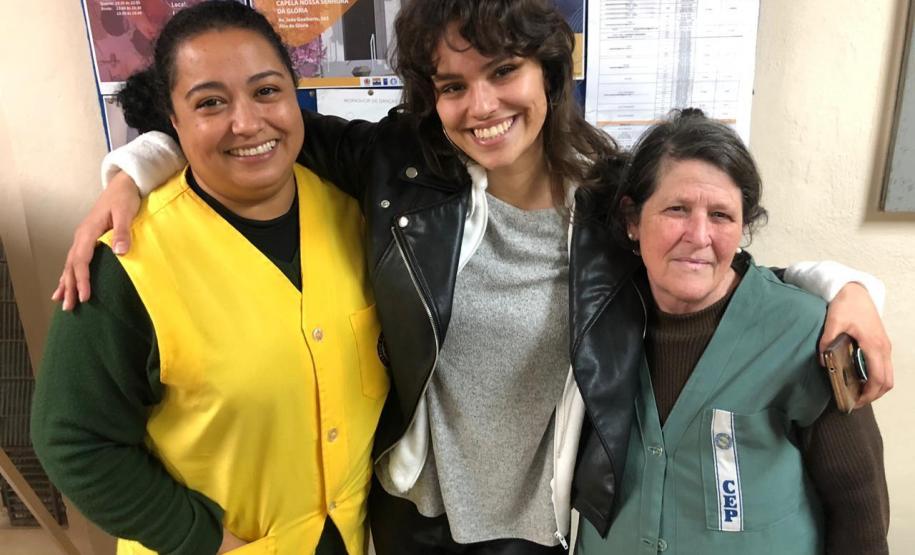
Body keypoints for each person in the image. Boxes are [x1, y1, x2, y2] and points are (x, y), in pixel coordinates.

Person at [53, 1, 893, 553]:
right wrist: (134, 165)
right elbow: (254, 135)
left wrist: (846, 283)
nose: (481, 106)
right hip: (408, 514)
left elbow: (704, 257)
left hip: (549, 523)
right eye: (451, 86)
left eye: (502, 73)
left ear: (548, 74)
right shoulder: (400, 169)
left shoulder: (607, 196)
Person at [31, 2, 387, 554]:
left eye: (267, 91)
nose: (246, 122)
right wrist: (199, 538)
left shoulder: (358, 217)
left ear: (296, 99)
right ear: (172, 122)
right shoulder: (128, 261)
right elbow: (73, 439)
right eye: (210, 103)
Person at [576, 110, 889, 555]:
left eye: (721, 215)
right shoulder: (597, 318)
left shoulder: (806, 333)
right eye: (676, 209)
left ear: (743, 227)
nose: (699, 236)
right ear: (632, 217)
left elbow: (859, 505)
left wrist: (855, 288)